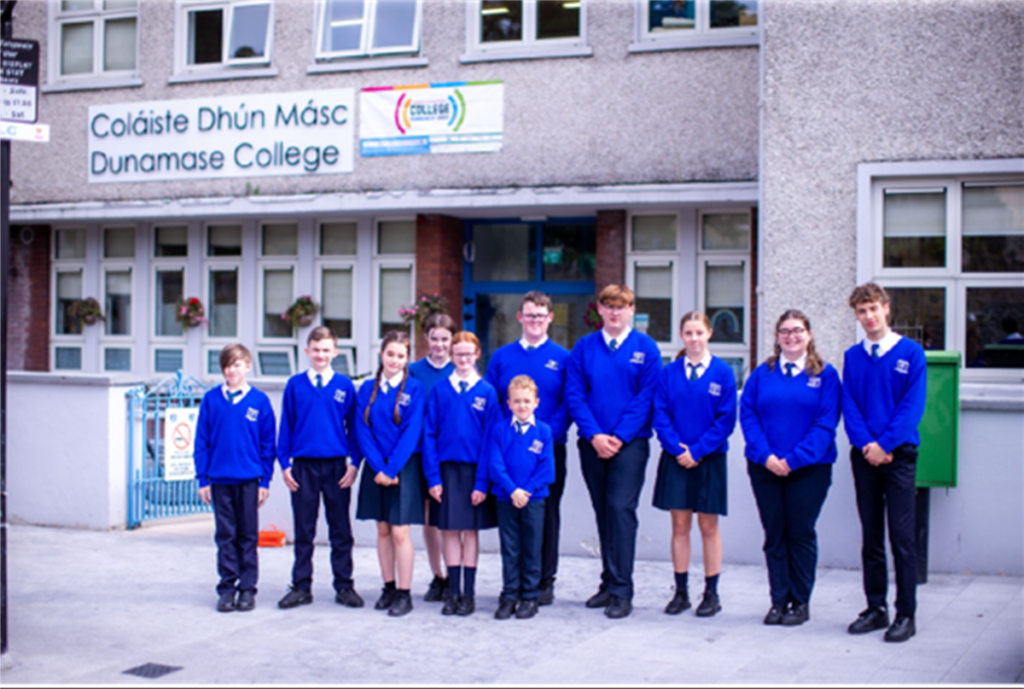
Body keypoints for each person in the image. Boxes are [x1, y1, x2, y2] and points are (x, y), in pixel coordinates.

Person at [565, 284, 662, 619]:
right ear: (600, 310)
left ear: (631, 310)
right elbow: (574, 394)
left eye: (621, 307)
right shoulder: (584, 347)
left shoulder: (646, 348)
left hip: (630, 444)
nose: (615, 312)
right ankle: (608, 582)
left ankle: (622, 590)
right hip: (592, 444)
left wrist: (618, 436)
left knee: (621, 510)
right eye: (609, 306)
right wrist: (594, 435)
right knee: (603, 511)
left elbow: (646, 396)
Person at [740, 309, 841, 626]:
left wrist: (793, 459)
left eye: (798, 330)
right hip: (765, 468)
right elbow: (748, 416)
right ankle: (778, 601)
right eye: (785, 331)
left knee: (800, 533)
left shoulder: (825, 375)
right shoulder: (762, 374)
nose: (791, 336)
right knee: (774, 534)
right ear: (777, 337)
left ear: (808, 335)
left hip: (810, 469)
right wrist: (767, 456)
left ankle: (800, 602)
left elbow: (825, 424)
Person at [843, 283, 926, 643]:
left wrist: (885, 445)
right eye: (862, 311)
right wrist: (867, 445)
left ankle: (906, 613)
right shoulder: (852, 357)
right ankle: (876, 608)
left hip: (899, 455)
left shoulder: (911, 352)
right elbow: (850, 406)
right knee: (871, 535)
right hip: (865, 456)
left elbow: (912, 407)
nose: (869, 316)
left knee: (902, 537)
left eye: (873, 308)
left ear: (886, 308)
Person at [484, 291, 571, 605]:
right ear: (520, 317)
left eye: (541, 315)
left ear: (550, 318)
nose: (535, 320)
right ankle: (514, 583)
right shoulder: (501, 357)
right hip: (507, 452)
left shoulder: (563, 358)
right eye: (530, 315)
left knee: (546, 515)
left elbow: (569, 402)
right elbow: (492, 401)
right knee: (511, 517)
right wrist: (506, 438)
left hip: (548, 450)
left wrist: (543, 437)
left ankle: (543, 581)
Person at [652, 311, 737, 619]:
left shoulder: (723, 373)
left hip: (709, 459)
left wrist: (698, 451)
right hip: (677, 458)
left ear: (709, 334)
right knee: (679, 526)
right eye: (688, 333)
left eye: (699, 333)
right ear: (681, 336)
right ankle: (681, 592)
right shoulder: (669, 373)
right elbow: (660, 415)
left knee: (708, 527)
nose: (694, 339)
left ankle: (711, 593)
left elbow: (726, 420)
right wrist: (679, 449)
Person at [276, 327, 363, 610]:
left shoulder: (344, 386)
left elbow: (355, 429)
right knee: (304, 529)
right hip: (303, 467)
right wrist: (285, 464)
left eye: (326, 350)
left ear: (335, 352)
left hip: (337, 467)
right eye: (316, 349)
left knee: (341, 530)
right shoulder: (295, 385)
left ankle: (344, 586)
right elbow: (286, 427)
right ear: (307, 351)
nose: (321, 355)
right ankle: (301, 586)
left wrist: (354, 464)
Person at [193, 343, 276, 613]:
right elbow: (202, 441)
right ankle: (227, 588)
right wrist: (203, 479)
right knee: (225, 535)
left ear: (248, 366)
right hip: (220, 480)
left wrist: (265, 481)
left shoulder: (259, 401)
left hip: (249, 480)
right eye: (227, 365)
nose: (232, 370)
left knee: (248, 535)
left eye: (237, 364)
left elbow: (268, 445)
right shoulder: (211, 400)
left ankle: (247, 588)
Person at [423, 331, 500, 617]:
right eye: (458, 354)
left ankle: (469, 594)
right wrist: (433, 477)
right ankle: (453, 592)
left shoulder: (487, 392)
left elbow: (491, 439)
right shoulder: (440, 390)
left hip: (474, 472)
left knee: (469, 531)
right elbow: (429, 433)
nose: (464, 358)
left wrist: (482, 482)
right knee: (449, 531)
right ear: (451, 356)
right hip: (446, 472)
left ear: (477, 355)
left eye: (469, 354)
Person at [355, 331, 426, 617]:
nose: (394, 360)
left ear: (407, 359)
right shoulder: (366, 389)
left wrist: (392, 468)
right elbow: (362, 431)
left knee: (399, 532)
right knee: (382, 529)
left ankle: (404, 593)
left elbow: (412, 432)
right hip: (376, 467)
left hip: (403, 467)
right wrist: (379, 467)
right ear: (381, 354)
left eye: (400, 356)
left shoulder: (415, 389)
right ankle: (389, 586)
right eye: (390, 354)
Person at [487, 375, 556, 620]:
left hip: (533, 500)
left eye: (527, 401)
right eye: (517, 401)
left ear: (536, 402)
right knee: (510, 548)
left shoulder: (544, 431)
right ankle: (509, 595)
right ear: (509, 404)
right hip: (506, 499)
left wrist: (527, 490)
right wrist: (512, 490)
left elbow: (547, 469)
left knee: (532, 547)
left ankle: (529, 596)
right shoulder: (499, 430)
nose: (522, 406)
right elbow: (495, 465)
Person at [408, 313, 457, 603]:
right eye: (434, 338)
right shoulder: (414, 371)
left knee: (448, 518)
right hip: (421, 452)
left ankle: (453, 574)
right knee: (428, 519)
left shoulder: (460, 368)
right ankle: (438, 575)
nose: (439, 344)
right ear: (426, 338)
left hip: (449, 453)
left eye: (445, 339)